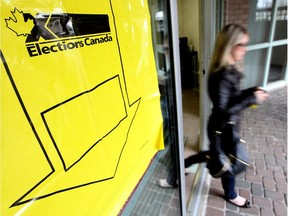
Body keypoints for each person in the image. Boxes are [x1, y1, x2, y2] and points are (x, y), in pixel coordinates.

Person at [159, 24, 269, 208]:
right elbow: (224, 109)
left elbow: (232, 99)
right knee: (226, 161)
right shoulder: (222, 74)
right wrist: (252, 97)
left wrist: (251, 92)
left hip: (225, 127)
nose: (245, 49)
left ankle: (177, 171)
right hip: (222, 128)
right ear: (230, 45)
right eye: (241, 45)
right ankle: (231, 194)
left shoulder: (230, 69)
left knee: (212, 157)